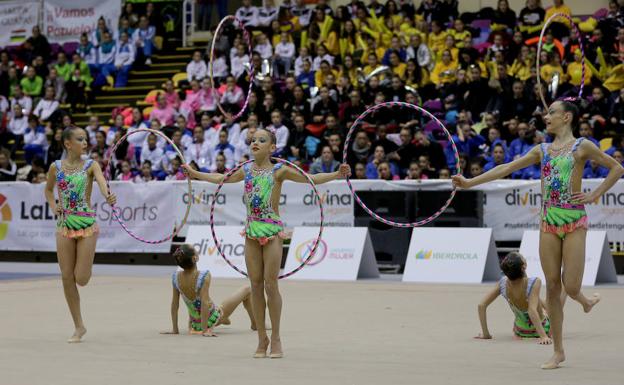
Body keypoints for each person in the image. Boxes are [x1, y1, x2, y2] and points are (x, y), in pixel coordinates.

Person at [452, 99, 624, 369]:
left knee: (572, 286)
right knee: (553, 286)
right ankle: (558, 351)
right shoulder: (542, 150)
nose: (546, 116)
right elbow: (506, 168)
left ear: (566, 117)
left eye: (551, 113)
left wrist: (595, 194)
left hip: (574, 219)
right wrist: (470, 182)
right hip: (548, 221)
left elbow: (617, 168)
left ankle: (584, 300)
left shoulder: (583, 146)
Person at [182, 128, 351, 358]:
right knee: (255, 286)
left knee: (271, 285)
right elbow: (220, 179)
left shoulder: (279, 171)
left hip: (271, 230)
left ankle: (277, 338)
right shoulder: (245, 170)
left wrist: (336, 175)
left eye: (262, 140)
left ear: (272, 148)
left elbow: (310, 179)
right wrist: (194, 172)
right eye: (253, 140)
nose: (255, 142)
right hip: (251, 231)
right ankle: (262, 338)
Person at [43, 126, 116, 342]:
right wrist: (52, 205)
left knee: (81, 279)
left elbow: (102, 183)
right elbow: (48, 189)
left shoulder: (91, 165)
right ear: (68, 144)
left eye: (85, 138)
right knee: (66, 277)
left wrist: (108, 195)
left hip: (86, 224)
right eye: (80, 139)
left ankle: (85, 269)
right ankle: (79, 326)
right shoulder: (55, 167)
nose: (85, 142)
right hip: (65, 224)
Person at [161, 244, 256, 336]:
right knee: (247, 289)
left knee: (220, 308)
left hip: (195, 323)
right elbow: (205, 303)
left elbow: (175, 304)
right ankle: (254, 324)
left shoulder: (176, 277)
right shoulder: (203, 276)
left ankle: (225, 319)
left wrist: (175, 329)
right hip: (210, 318)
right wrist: (205, 330)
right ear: (195, 258)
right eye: (196, 251)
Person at [476, 252, 553, 343]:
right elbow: (532, 310)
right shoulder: (535, 282)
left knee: (533, 297)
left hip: (520, 331)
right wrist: (543, 337)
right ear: (524, 266)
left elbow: (481, 305)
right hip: (542, 329)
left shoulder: (503, 283)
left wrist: (486, 334)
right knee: (543, 305)